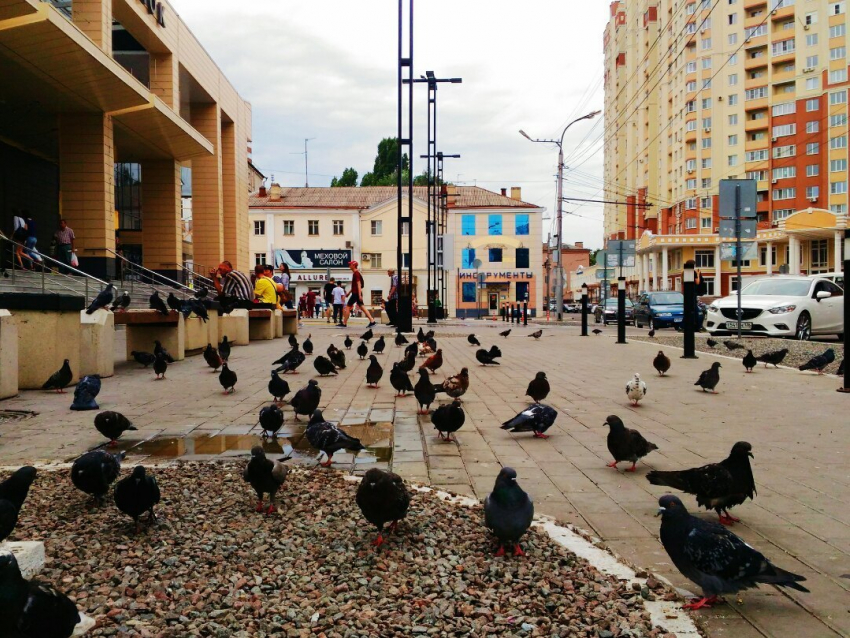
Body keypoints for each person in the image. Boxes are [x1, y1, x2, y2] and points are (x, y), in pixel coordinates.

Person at [342, 260, 376, 328]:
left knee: (348, 307)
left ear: (354, 265)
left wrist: (359, 295)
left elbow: (358, 284)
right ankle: (372, 321)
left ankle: (344, 323)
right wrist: (349, 293)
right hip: (356, 293)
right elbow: (355, 286)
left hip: (356, 293)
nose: (349, 265)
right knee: (362, 307)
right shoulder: (356, 273)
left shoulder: (356, 273)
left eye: (350, 264)